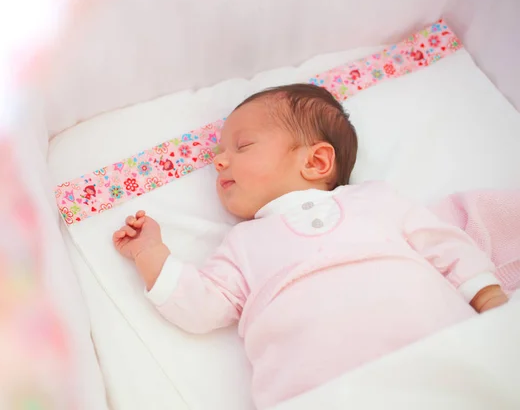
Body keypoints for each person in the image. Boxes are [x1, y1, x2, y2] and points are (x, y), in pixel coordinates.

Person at [112, 84, 508, 409]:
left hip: (443, 358)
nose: (219, 162)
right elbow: (202, 305)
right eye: (219, 155)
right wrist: (150, 253)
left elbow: (443, 244)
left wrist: (491, 301)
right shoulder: (242, 243)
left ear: (317, 162)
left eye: (242, 146)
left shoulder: (376, 200)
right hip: (321, 393)